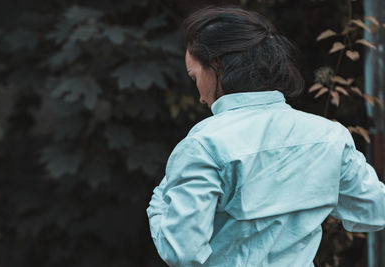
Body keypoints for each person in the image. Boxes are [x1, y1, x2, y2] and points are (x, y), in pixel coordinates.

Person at [146, 6, 385, 267]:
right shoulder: (329, 137)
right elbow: (374, 211)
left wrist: (159, 201)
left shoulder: (205, 144)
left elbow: (181, 251)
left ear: (216, 65)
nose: (201, 96)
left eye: (195, 77)